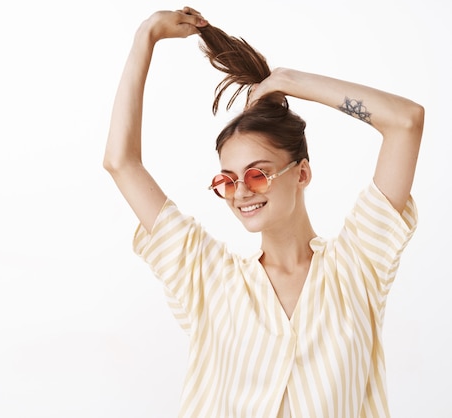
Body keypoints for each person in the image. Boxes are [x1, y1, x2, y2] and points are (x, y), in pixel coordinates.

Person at [103, 6, 423, 418]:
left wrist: (290, 81)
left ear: (302, 172)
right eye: (227, 180)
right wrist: (145, 36)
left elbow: (406, 121)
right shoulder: (207, 277)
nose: (240, 193)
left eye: (257, 174)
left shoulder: (358, 267)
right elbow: (121, 163)